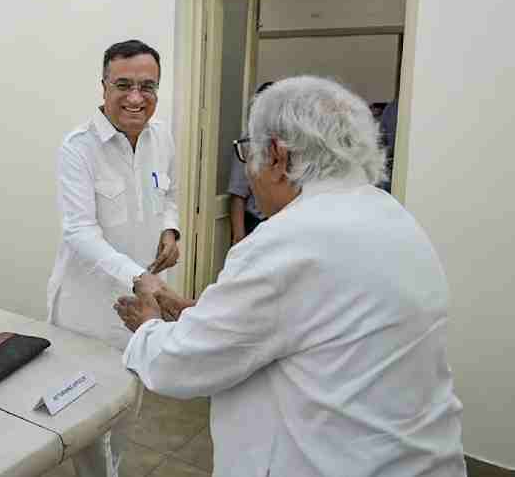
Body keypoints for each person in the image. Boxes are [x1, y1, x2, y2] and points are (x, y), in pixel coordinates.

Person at [114, 76, 465, 476]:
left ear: (277, 156)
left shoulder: (287, 240)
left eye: (248, 154)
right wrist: (200, 311)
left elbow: (180, 365)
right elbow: (307, 322)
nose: (248, 174)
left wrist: (147, 326)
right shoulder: (392, 215)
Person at [47, 39, 180, 477]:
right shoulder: (79, 147)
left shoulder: (162, 138)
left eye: (148, 86)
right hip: (87, 311)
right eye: (123, 84)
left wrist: (170, 230)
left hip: (136, 311)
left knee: (126, 411)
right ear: (103, 86)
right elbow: (79, 231)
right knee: (83, 424)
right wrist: (139, 275)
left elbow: (170, 194)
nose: (136, 97)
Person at [228, 82, 273, 244]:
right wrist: (239, 236)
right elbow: (238, 193)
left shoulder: (290, 141)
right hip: (256, 221)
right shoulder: (247, 142)